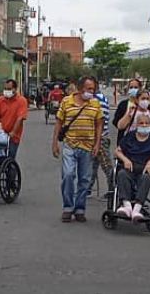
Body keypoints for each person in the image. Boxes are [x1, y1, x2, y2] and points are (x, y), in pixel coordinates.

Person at [52, 76, 103, 223]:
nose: (91, 92)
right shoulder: (66, 102)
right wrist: (54, 143)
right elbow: (59, 123)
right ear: (81, 89)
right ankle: (68, 207)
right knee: (68, 175)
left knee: (85, 179)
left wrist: (97, 143)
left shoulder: (95, 104)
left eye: (93, 89)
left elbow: (99, 124)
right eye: (89, 89)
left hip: (87, 147)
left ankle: (80, 208)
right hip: (70, 144)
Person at [114, 113, 150, 222]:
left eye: (147, 123)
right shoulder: (130, 136)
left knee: (145, 178)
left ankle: (137, 209)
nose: (144, 125)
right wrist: (125, 160)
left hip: (147, 168)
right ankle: (127, 206)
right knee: (121, 174)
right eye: (141, 123)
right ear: (136, 125)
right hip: (131, 167)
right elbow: (117, 151)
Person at [0, 79, 28, 159]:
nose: (6, 91)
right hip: (0, 133)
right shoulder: (0, 100)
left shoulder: (21, 101)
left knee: (10, 158)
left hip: (13, 136)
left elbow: (20, 119)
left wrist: (13, 132)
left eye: (9, 89)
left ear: (15, 89)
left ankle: (12, 170)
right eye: (5, 89)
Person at [90, 88, 114, 199]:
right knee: (92, 165)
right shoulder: (99, 98)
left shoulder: (98, 100)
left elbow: (101, 120)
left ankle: (113, 189)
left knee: (106, 165)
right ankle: (87, 188)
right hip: (98, 137)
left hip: (100, 137)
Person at [112, 78, 142, 144]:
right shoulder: (123, 104)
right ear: (128, 89)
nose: (133, 89)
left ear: (140, 89)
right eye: (131, 87)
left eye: (136, 87)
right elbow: (115, 122)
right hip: (124, 141)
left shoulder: (144, 105)